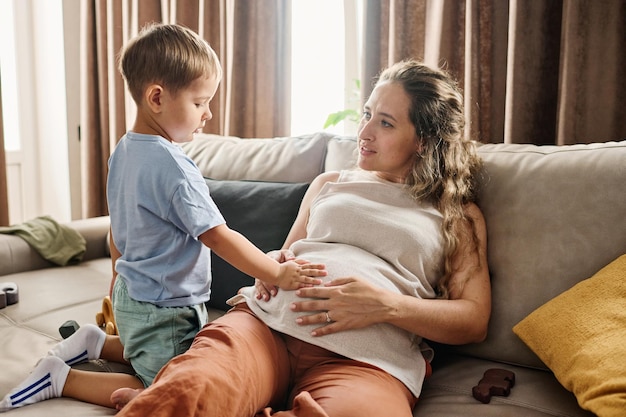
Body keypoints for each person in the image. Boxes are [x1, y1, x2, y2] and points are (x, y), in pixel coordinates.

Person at [110, 59, 492, 417]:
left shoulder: (456, 215)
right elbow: (287, 253)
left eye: (386, 123)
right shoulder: (329, 183)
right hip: (265, 329)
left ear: (423, 140)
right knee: (189, 392)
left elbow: (473, 321)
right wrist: (273, 262)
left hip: (365, 362)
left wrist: (386, 306)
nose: (364, 132)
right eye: (367, 114)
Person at [0, 23, 324, 413]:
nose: (208, 114)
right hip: (165, 307)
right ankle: (62, 377)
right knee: (171, 386)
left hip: (132, 295)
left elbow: (118, 230)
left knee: (144, 348)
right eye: (200, 102)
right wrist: (276, 274)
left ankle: (95, 343)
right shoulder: (174, 166)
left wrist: (117, 281)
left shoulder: (123, 150)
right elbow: (218, 236)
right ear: (157, 97)